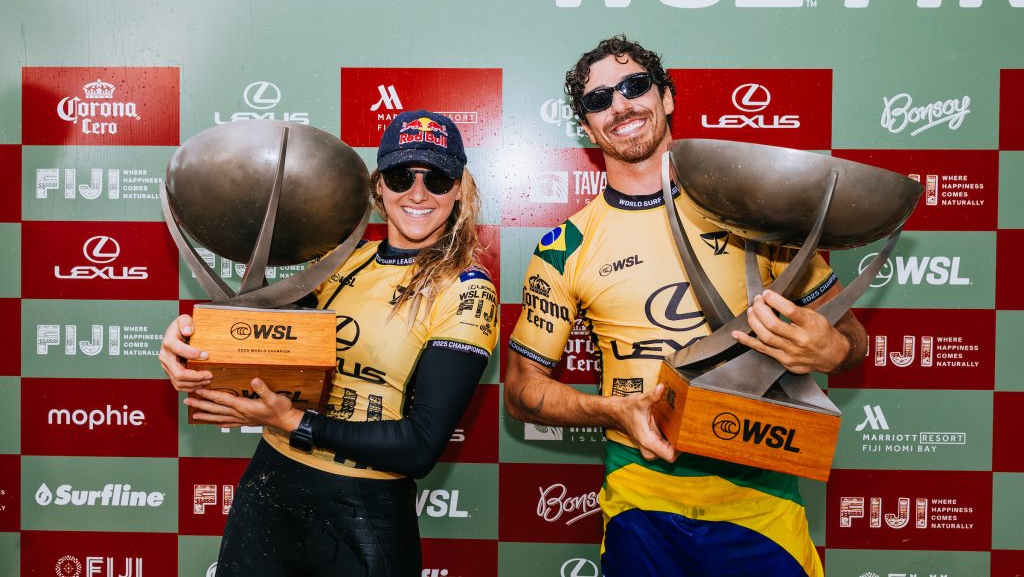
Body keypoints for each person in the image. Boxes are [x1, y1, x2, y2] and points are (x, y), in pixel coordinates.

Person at [504, 36, 867, 577]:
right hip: (641, 499)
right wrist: (611, 410)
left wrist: (832, 348)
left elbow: (853, 340)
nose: (620, 105)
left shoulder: (756, 216)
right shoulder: (566, 246)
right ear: (587, 127)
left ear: (667, 97)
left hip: (761, 500)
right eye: (599, 100)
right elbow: (520, 390)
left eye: (634, 86)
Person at [159, 110, 497, 577]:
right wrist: (188, 342)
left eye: (437, 179)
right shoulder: (337, 263)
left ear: (458, 189)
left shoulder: (466, 289)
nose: (418, 194)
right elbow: (261, 343)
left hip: (365, 515)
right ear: (379, 187)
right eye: (401, 177)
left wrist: (292, 421)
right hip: (271, 489)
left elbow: (420, 447)